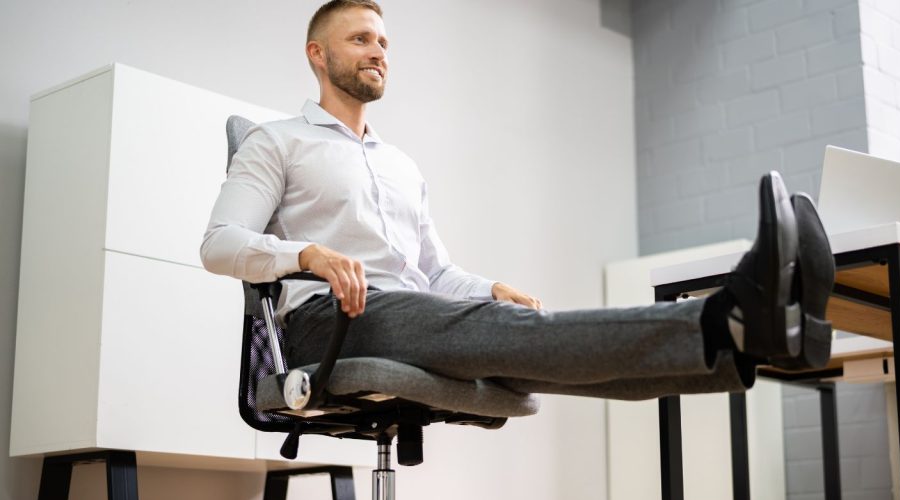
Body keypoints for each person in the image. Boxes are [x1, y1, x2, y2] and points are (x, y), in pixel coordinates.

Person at [200, 0, 835, 399]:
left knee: (534, 359)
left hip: (406, 312)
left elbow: (435, 272)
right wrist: (309, 254)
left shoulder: (399, 164)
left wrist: (488, 287)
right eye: (362, 39)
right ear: (318, 54)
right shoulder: (276, 142)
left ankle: (745, 345)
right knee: (510, 333)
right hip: (327, 326)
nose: (379, 52)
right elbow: (218, 244)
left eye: (385, 43)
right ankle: (728, 314)